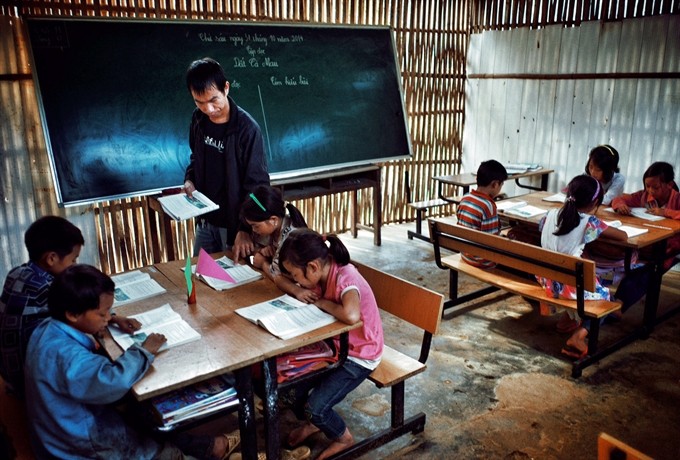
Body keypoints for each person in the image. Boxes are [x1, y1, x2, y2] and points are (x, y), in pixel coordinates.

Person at [24, 264, 241, 460]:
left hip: (62, 429)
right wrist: (143, 351)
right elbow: (112, 382)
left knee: (147, 418)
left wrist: (113, 318)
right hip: (82, 444)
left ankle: (209, 447)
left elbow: (88, 318)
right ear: (72, 314)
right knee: (162, 447)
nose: (108, 317)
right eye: (103, 313)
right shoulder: (68, 358)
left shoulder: (48, 328)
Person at [0, 216, 137, 397]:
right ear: (51, 259)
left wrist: (112, 317)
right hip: (31, 383)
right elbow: (81, 313)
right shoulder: (50, 289)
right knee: (108, 365)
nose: (75, 265)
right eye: (73, 260)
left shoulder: (17, 273)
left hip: (8, 371)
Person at [278, 229, 384, 460]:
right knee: (288, 385)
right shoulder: (320, 272)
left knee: (314, 407)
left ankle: (342, 437)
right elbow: (280, 278)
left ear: (313, 267)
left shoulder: (346, 276)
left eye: (296, 275)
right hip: (335, 346)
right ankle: (316, 423)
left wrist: (323, 303)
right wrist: (296, 287)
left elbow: (352, 315)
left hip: (361, 355)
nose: (295, 279)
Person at [537, 175, 642, 358]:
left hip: (548, 281)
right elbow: (623, 236)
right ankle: (578, 336)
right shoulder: (590, 222)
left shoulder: (550, 214)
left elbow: (544, 230)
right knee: (606, 298)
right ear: (595, 202)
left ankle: (566, 321)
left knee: (588, 282)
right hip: (569, 286)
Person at [183, 57, 269, 261]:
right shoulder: (198, 120)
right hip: (205, 221)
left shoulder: (247, 130)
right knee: (202, 277)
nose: (209, 109)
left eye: (214, 100)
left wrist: (245, 229)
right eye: (200, 102)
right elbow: (195, 158)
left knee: (233, 284)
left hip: (233, 227)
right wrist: (189, 180)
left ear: (226, 88)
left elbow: (257, 188)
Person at [240, 185, 317, 302]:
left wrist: (263, 264)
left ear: (273, 220)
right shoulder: (271, 226)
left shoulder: (289, 237)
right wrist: (261, 251)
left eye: (255, 226)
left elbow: (276, 276)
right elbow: (255, 248)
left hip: (303, 288)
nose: (253, 230)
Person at [612, 161, 680, 271]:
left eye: (656, 187)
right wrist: (620, 206)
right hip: (646, 243)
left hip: (669, 248)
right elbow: (619, 198)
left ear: (669, 185)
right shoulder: (644, 196)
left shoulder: (677, 199)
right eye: (647, 186)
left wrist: (666, 212)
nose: (650, 190)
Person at [456, 159, 508, 267]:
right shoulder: (488, 206)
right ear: (495, 184)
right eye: (501, 185)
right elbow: (492, 242)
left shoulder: (465, 198)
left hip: (465, 255)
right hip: (483, 261)